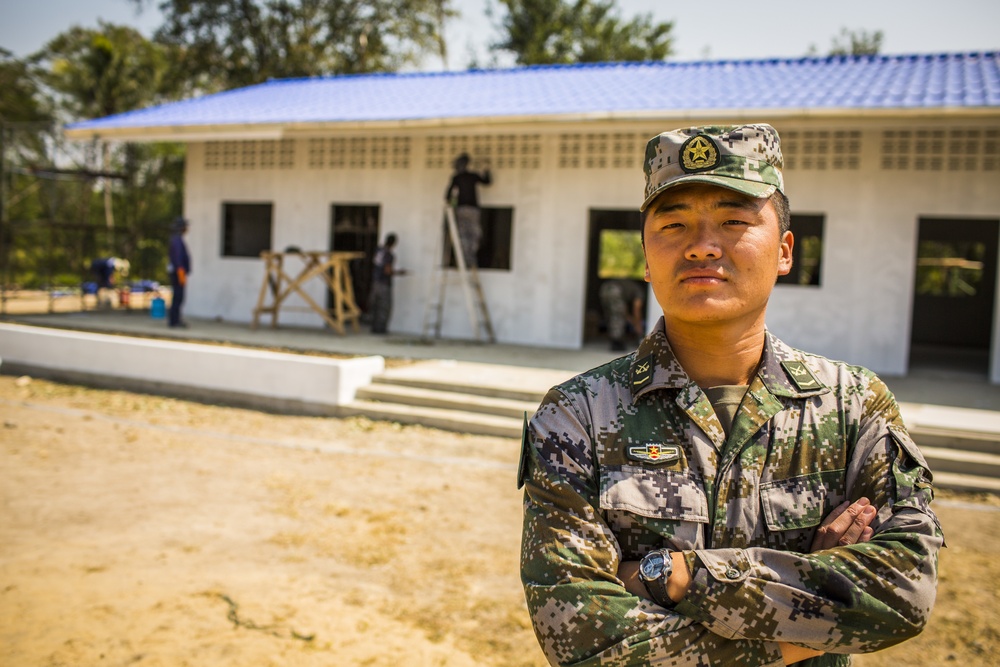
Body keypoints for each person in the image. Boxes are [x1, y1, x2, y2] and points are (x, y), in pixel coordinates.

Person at [519, 124, 943, 666]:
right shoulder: (577, 415)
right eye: (673, 224)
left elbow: (903, 591)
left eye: (733, 221)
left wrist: (671, 577)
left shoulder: (854, 408)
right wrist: (804, 611)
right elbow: (582, 641)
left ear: (785, 250)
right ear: (646, 259)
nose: (700, 246)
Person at [445, 153, 491, 267]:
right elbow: (487, 182)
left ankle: (466, 259)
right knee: (473, 234)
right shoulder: (472, 176)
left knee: (464, 234)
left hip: (462, 209)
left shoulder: (457, 177)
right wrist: (486, 170)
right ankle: (470, 258)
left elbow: (447, 196)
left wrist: (452, 203)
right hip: (472, 209)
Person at [368, 233, 406, 334]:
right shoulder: (389, 255)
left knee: (375, 306)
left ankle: (374, 328)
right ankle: (380, 330)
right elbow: (387, 271)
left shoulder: (378, 250)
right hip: (384, 284)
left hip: (375, 283)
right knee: (384, 307)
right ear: (394, 243)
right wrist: (399, 272)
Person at [599, 277, 645, 351]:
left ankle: (613, 338)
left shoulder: (629, 287)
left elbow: (624, 311)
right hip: (615, 290)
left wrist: (630, 318)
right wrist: (638, 325)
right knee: (617, 317)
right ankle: (617, 343)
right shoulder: (639, 291)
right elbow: (637, 310)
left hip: (605, 288)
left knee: (610, 316)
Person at [167, 217, 191, 328]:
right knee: (178, 296)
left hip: (179, 271)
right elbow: (178, 259)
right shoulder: (176, 240)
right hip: (178, 272)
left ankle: (175, 319)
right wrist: (181, 272)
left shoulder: (177, 239)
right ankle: (174, 321)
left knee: (178, 296)